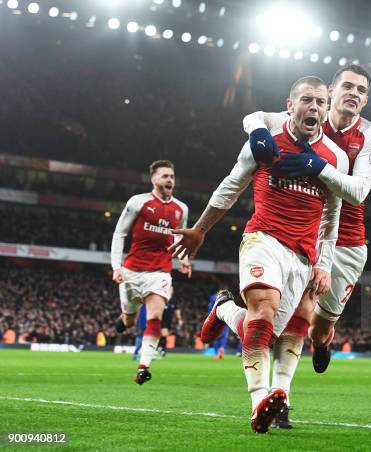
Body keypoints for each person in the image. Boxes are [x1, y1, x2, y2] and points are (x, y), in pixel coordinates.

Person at [209, 65, 371, 427]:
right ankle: (279, 399)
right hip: (299, 237)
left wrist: (316, 166)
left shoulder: (370, 135)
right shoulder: (307, 111)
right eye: (347, 87)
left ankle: (317, 341)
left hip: (347, 243)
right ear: (332, 91)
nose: (353, 94)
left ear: (366, 100)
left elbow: (358, 192)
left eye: (361, 90)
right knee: (281, 320)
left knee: (317, 328)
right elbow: (256, 117)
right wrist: (257, 129)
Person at [170, 76, 348, 433]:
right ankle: (259, 403)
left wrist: (324, 264)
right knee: (264, 310)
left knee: (294, 324)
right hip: (262, 239)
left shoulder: (335, 158)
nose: (314, 107)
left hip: (303, 254)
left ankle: (226, 313)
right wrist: (200, 229)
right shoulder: (265, 142)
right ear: (290, 104)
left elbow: (332, 217)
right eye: (307, 100)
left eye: (321, 103)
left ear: (327, 110)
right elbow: (231, 186)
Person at [111, 160, 191, 385]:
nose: (170, 180)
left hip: (160, 272)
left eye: (172, 177)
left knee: (155, 317)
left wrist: (184, 258)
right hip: (132, 271)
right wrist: (116, 266)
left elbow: (178, 235)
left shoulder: (181, 209)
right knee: (129, 320)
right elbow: (119, 233)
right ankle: (123, 321)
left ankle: (143, 366)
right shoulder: (138, 203)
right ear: (154, 179)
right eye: (165, 176)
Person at [208, 292, 228, 359]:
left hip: (216, 318)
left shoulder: (213, 297)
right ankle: (222, 348)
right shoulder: (228, 297)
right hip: (225, 317)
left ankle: (216, 353)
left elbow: (210, 308)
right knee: (224, 335)